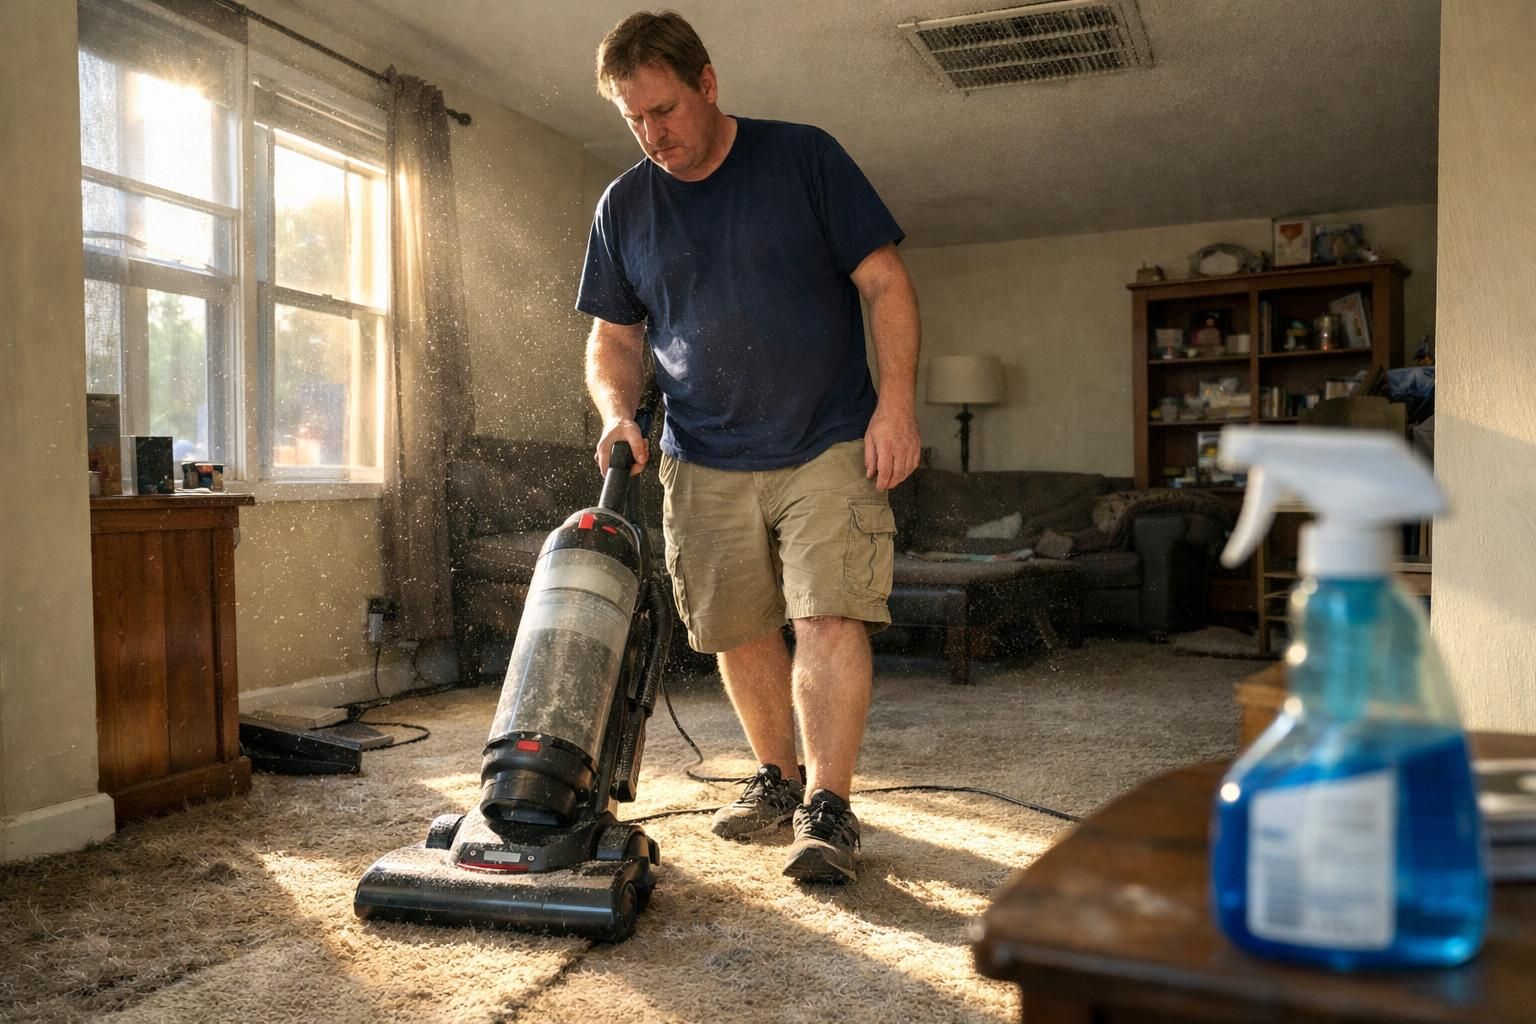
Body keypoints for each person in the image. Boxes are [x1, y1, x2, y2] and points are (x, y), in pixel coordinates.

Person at [578, 10, 921, 883]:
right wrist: (617, 411)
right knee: (736, 625)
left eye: (665, 111)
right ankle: (777, 776)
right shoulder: (624, 206)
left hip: (827, 436)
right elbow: (616, 338)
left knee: (827, 612)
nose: (655, 136)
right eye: (635, 121)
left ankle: (830, 809)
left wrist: (897, 406)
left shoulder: (804, 159)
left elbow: (884, 283)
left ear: (708, 83)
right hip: (700, 447)